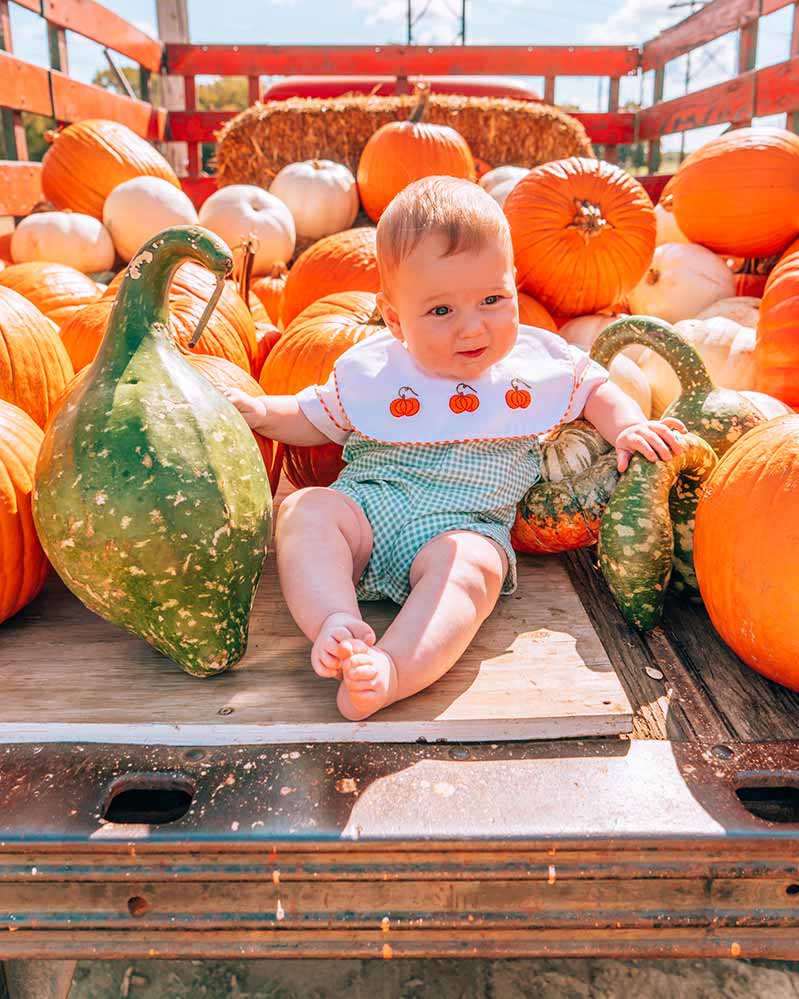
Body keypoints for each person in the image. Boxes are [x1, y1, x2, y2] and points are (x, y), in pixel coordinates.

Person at [222, 175, 685, 721]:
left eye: (492, 299)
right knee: (305, 510)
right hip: (368, 512)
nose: (473, 327)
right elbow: (310, 416)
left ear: (514, 285)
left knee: (472, 571)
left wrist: (628, 426)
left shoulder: (534, 366)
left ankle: (392, 670)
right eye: (441, 311)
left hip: (461, 527)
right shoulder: (378, 371)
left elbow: (596, 390)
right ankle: (335, 621)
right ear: (395, 319)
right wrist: (261, 412)